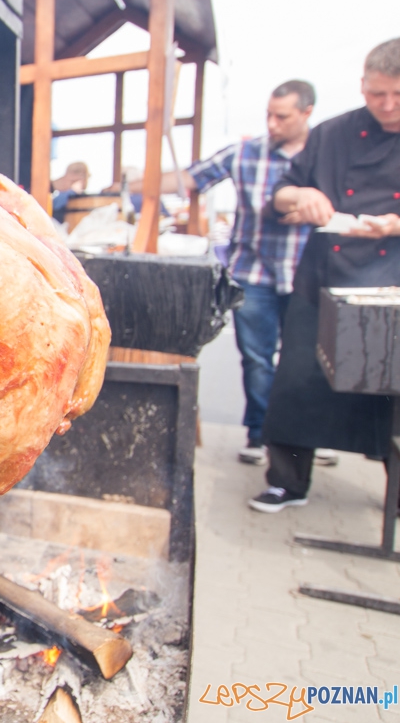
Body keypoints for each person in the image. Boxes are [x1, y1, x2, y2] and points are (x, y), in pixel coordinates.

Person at [248, 38, 400, 512]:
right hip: (323, 276)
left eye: (397, 95)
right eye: (378, 94)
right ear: (362, 85)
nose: (388, 105)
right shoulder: (332, 134)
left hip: (389, 280)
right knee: (297, 382)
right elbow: (278, 194)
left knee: (392, 389)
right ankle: (287, 482)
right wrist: (301, 196)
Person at [134, 81, 317, 465]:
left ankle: (305, 438)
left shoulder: (323, 154)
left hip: (306, 275)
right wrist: (136, 184)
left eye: (281, 116)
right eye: (269, 113)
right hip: (254, 274)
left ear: (306, 113)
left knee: (304, 363)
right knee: (257, 359)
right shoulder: (246, 154)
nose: (272, 123)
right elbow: (191, 177)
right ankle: (259, 434)